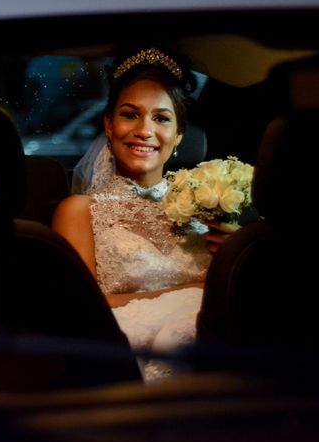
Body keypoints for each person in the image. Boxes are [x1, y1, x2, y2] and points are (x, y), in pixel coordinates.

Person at [51, 46, 236, 381]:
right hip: (127, 366)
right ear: (109, 124)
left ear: (179, 134)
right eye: (129, 114)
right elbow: (83, 311)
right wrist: (195, 290)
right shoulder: (79, 210)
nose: (144, 131)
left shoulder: (205, 210)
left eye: (161, 118)